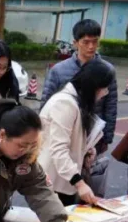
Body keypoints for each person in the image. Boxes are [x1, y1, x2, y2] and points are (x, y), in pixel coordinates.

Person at [38, 59, 112, 206]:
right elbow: (58, 149)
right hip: (53, 183)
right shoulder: (64, 104)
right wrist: (79, 183)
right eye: (104, 89)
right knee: (56, 219)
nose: (105, 93)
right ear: (93, 87)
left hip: (62, 181)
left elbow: (72, 139)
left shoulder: (75, 101)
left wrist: (86, 149)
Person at [40, 19, 117, 153]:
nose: (91, 46)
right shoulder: (59, 70)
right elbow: (46, 102)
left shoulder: (107, 70)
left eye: (95, 41)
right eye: (86, 42)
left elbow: (111, 105)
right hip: (65, 131)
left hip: (93, 134)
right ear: (75, 43)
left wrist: (107, 137)